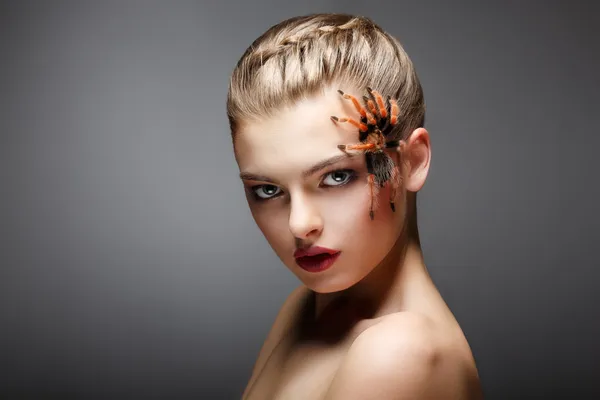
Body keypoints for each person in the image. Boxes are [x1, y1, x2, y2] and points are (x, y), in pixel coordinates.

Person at [227, 13, 483, 400]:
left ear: (411, 160)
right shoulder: (306, 309)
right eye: (266, 190)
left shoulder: (400, 354)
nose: (300, 225)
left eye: (336, 177)